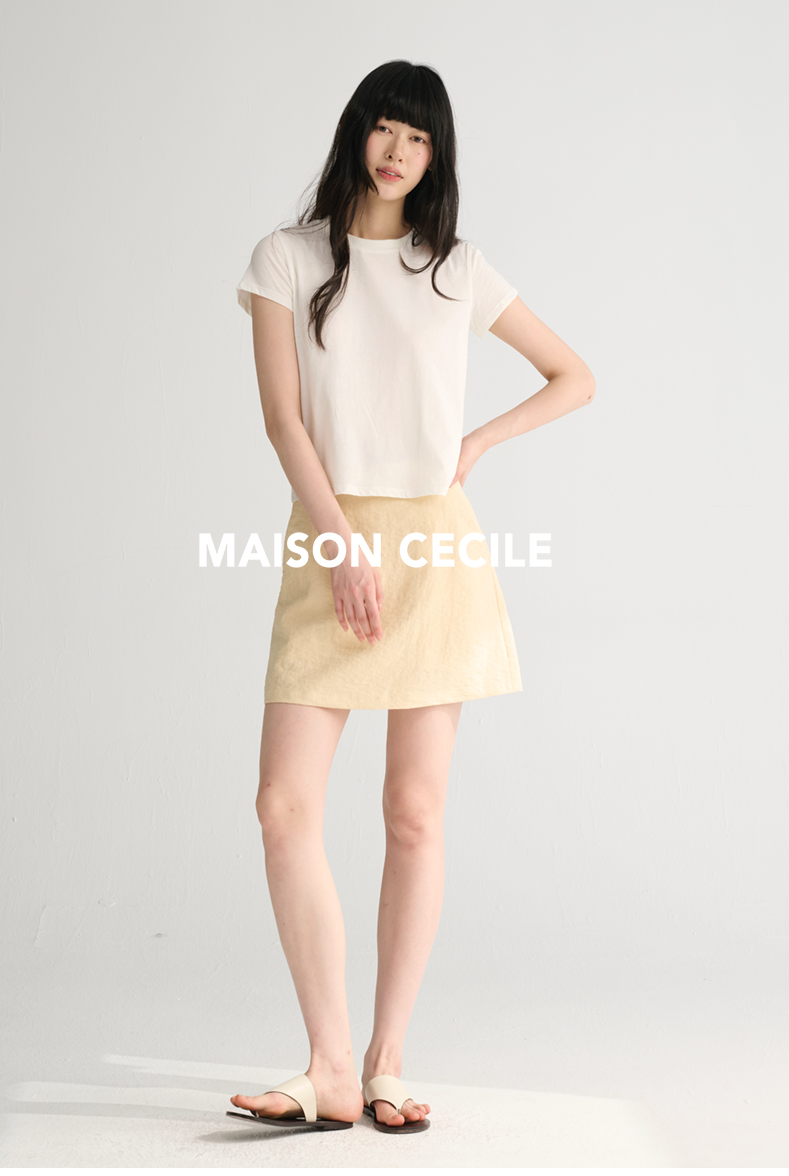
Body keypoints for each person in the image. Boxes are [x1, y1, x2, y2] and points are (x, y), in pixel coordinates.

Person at [227, 60, 595, 1136]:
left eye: (420, 138)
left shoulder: (457, 267)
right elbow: (284, 421)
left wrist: (473, 445)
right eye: (387, 128)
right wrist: (339, 542)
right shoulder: (286, 256)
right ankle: (329, 1064)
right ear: (358, 131)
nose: (398, 152)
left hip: (434, 551)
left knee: (414, 811)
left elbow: (573, 375)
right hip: (328, 537)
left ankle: (386, 1060)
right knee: (283, 805)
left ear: (438, 156)